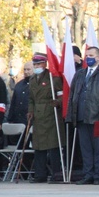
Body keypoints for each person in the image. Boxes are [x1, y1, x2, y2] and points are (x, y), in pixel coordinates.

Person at [65, 46, 99, 185]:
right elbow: (72, 95)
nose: (89, 57)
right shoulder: (80, 73)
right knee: (85, 148)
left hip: (98, 116)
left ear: (98, 57)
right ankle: (88, 174)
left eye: (92, 55)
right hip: (81, 115)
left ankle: (98, 176)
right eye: (87, 55)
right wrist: (71, 115)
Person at [27, 53, 65, 183]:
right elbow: (31, 99)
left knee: (53, 146)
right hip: (38, 116)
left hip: (50, 115)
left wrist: (58, 102)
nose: (36, 66)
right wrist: (30, 111)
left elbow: (62, 95)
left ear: (45, 64)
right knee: (38, 147)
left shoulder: (53, 78)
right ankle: (40, 174)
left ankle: (56, 174)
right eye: (35, 64)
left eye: (39, 64)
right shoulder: (32, 80)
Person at [7, 60, 33, 127]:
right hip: (17, 120)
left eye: (28, 69)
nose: (26, 72)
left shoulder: (37, 85)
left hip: (30, 120)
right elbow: (13, 103)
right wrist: (10, 119)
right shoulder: (19, 84)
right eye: (24, 69)